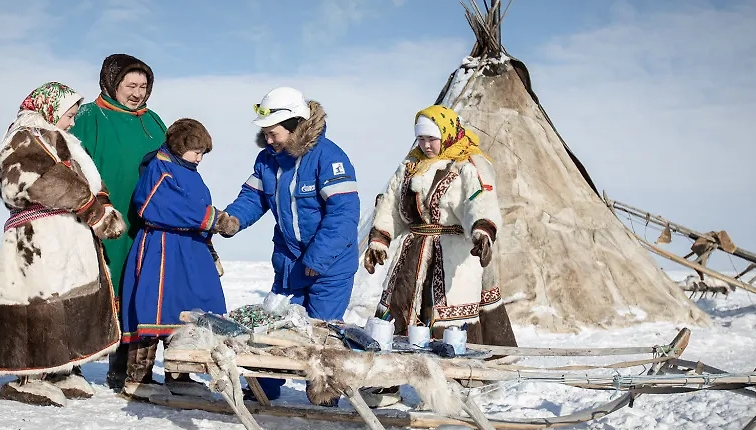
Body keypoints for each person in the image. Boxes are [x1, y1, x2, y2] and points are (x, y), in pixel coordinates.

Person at [0, 82, 126, 407]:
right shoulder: (23, 138)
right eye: (69, 115)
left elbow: (88, 181)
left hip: (67, 236)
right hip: (37, 239)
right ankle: (28, 377)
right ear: (50, 109)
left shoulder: (63, 140)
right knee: (37, 304)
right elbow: (39, 180)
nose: (72, 122)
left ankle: (62, 369)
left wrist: (101, 203)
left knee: (67, 301)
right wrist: (94, 210)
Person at [222, 87, 360, 402]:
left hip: (330, 265)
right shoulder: (267, 160)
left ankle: (325, 391)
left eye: (274, 133)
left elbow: (343, 215)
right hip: (289, 262)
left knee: (321, 332)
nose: (268, 140)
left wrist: (317, 259)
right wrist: (233, 219)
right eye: (265, 134)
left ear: (295, 126)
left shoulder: (329, 157)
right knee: (274, 327)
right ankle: (264, 387)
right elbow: (253, 197)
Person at [364, 104, 517, 344]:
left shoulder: (468, 164)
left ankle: (457, 364)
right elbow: (391, 204)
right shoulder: (410, 166)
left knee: (450, 321)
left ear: (446, 135)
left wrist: (482, 231)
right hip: (412, 255)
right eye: (421, 139)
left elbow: (480, 200)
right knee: (400, 310)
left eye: (432, 139)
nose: (426, 145)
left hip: (453, 253)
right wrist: (379, 240)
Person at [69, 54, 166, 391]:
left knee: (134, 287)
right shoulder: (88, 116)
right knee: (90, 285)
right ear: (112, 83)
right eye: (131, 85)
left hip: (142, 222)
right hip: (98, 218)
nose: (138, 93)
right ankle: (71, 365)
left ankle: (123, 366)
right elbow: (71, 163)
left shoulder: (153, 121)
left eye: (143, 86)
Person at [120, 118, 234, 397]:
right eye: (196, 151)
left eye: (203, 153)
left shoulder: (191, 172)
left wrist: (210, 249)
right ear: (179, 146)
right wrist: (213, 219)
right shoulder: (160, 167)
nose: (199, 158)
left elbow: (198, 207)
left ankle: (179, 374)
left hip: (190, 249)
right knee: (155, 309)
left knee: (189, 310)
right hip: (163, 247)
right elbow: (158, 205)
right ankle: (139, 378)